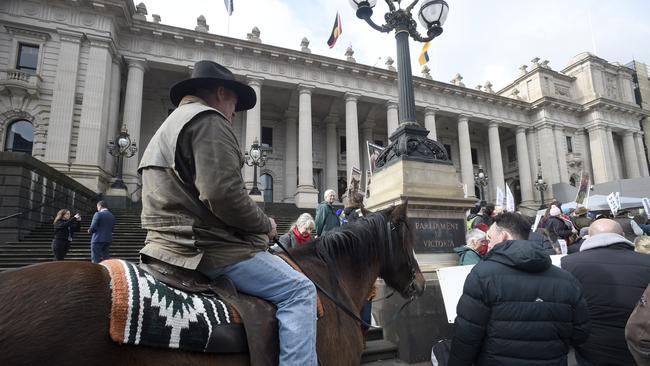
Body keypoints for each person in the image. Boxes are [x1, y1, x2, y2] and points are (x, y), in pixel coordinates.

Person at [137, 60, 317, 365]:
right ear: (221, 93)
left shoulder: (169, 125)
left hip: (163, 244)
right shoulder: (209, 120)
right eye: (235, 103)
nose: (235, 114)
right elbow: (224, 195)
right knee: (300, 290)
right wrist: (265, 223)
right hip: (206, 249)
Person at [448, 212, 590, 366]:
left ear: (503, 236)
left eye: (489, 238)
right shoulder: (567, 280)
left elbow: (467, 334)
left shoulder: (482, 275)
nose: (487, 245)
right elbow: (581, 332)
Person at [561, 218, 650, 366]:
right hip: (637, 350)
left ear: (589, 237)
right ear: (622, 234)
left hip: (591, 350)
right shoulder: (647, 262)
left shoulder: (566, 264)